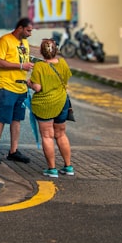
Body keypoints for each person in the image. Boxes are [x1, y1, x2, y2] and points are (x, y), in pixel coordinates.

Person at [28, 38, 75, 178]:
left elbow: (37, 87)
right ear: (56, 50)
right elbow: (66, 80)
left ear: (41, 52)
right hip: (62, 102)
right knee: (61, 134)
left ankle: (52, 169)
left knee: (47, 135)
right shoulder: (63, 63)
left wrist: (29, 83)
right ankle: (68, 166)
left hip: (45, 105)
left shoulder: (39, 66)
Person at [0, 17, 34, 164]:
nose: (30, 34)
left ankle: (13, 150)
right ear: (20, 28)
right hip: (6, 85)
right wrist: (21, 67)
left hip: (21, 86)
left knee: (17, 119)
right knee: (3, 117)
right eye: (28, 30)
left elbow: (23, 61)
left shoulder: (25, 43)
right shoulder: (5, 40)